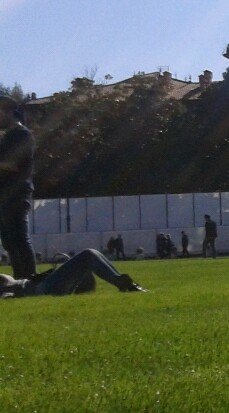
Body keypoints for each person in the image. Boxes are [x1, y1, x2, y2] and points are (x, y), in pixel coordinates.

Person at [1, 248, 146, 297]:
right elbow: (7, 295)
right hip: (40, 289)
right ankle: (124, 284)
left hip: (41, 284)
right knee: (88, 254)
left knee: (91, 254)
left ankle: (123, 282)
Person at [0, 96, 36, 280]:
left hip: (17, 193)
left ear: (8, 112)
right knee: (9, 242)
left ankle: (29, 280)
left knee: (19, 239)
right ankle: (19, 281)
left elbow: (15, 164)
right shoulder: (6, 137)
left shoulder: (22, 135)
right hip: (4, 195)